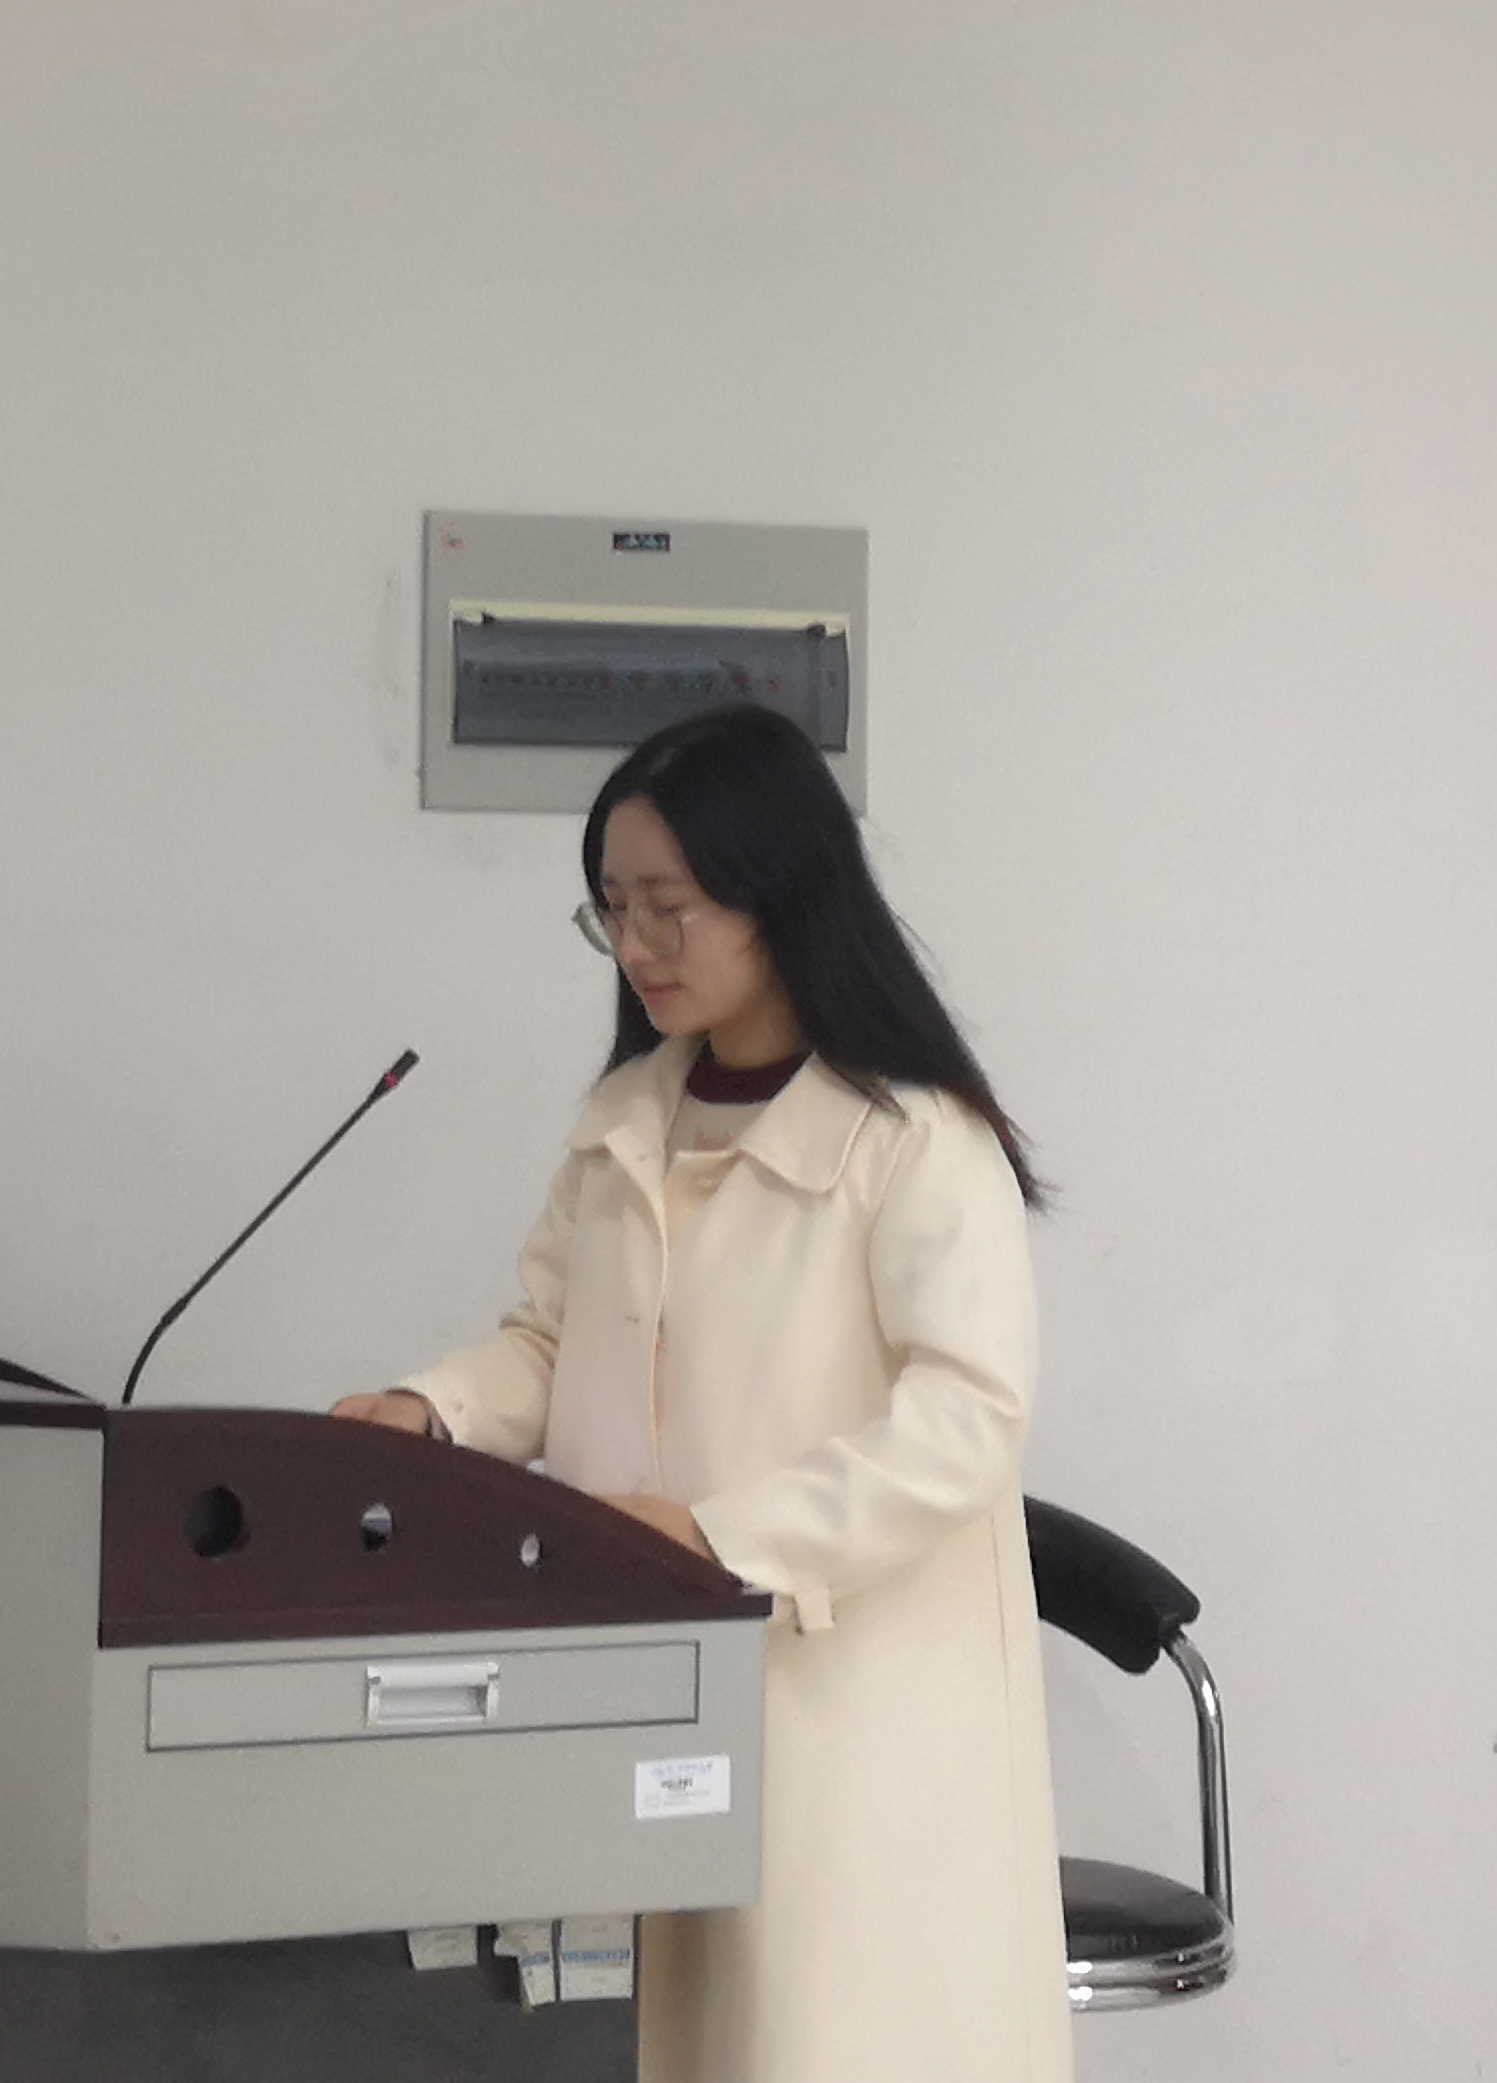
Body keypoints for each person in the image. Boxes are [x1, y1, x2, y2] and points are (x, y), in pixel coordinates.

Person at [335, 702, 1067, 2083]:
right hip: (669, 1680)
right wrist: (427, 1413)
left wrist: (724, 1543)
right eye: (611, 910)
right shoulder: (630, 1121)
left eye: (668, 907)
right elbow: (552, 1343)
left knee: (837, 2036)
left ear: (777, 891)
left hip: (856, 1703)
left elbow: (966, 1422)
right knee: (705, 2034)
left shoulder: (914, 1141)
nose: (636, 946)